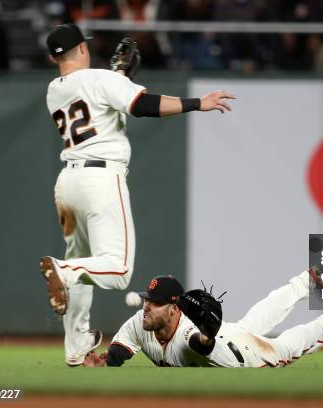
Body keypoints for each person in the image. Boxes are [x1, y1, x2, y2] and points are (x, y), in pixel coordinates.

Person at [41, 23, 235, 366]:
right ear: (82, 49)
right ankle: (63, 270)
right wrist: (197, 103)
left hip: (67, 184)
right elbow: (143, 105)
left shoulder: (54, 89)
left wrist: (117, 78)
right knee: (117, 270)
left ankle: (77, 350)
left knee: (85, 268)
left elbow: (99, 106)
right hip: (101, 178)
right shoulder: (101, 79)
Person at [83, 270, 323, 368]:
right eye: (146, 300)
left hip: (241, 355)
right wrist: (102, 362)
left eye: (156, 303)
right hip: (227, 334)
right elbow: (118, 353)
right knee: (251, 322)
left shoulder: (188, 331)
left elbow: (199, 344)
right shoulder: (141, 322)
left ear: (174, 309)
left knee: (283, 350)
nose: (147, 307)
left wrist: (208, 334)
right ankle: (304, 282)